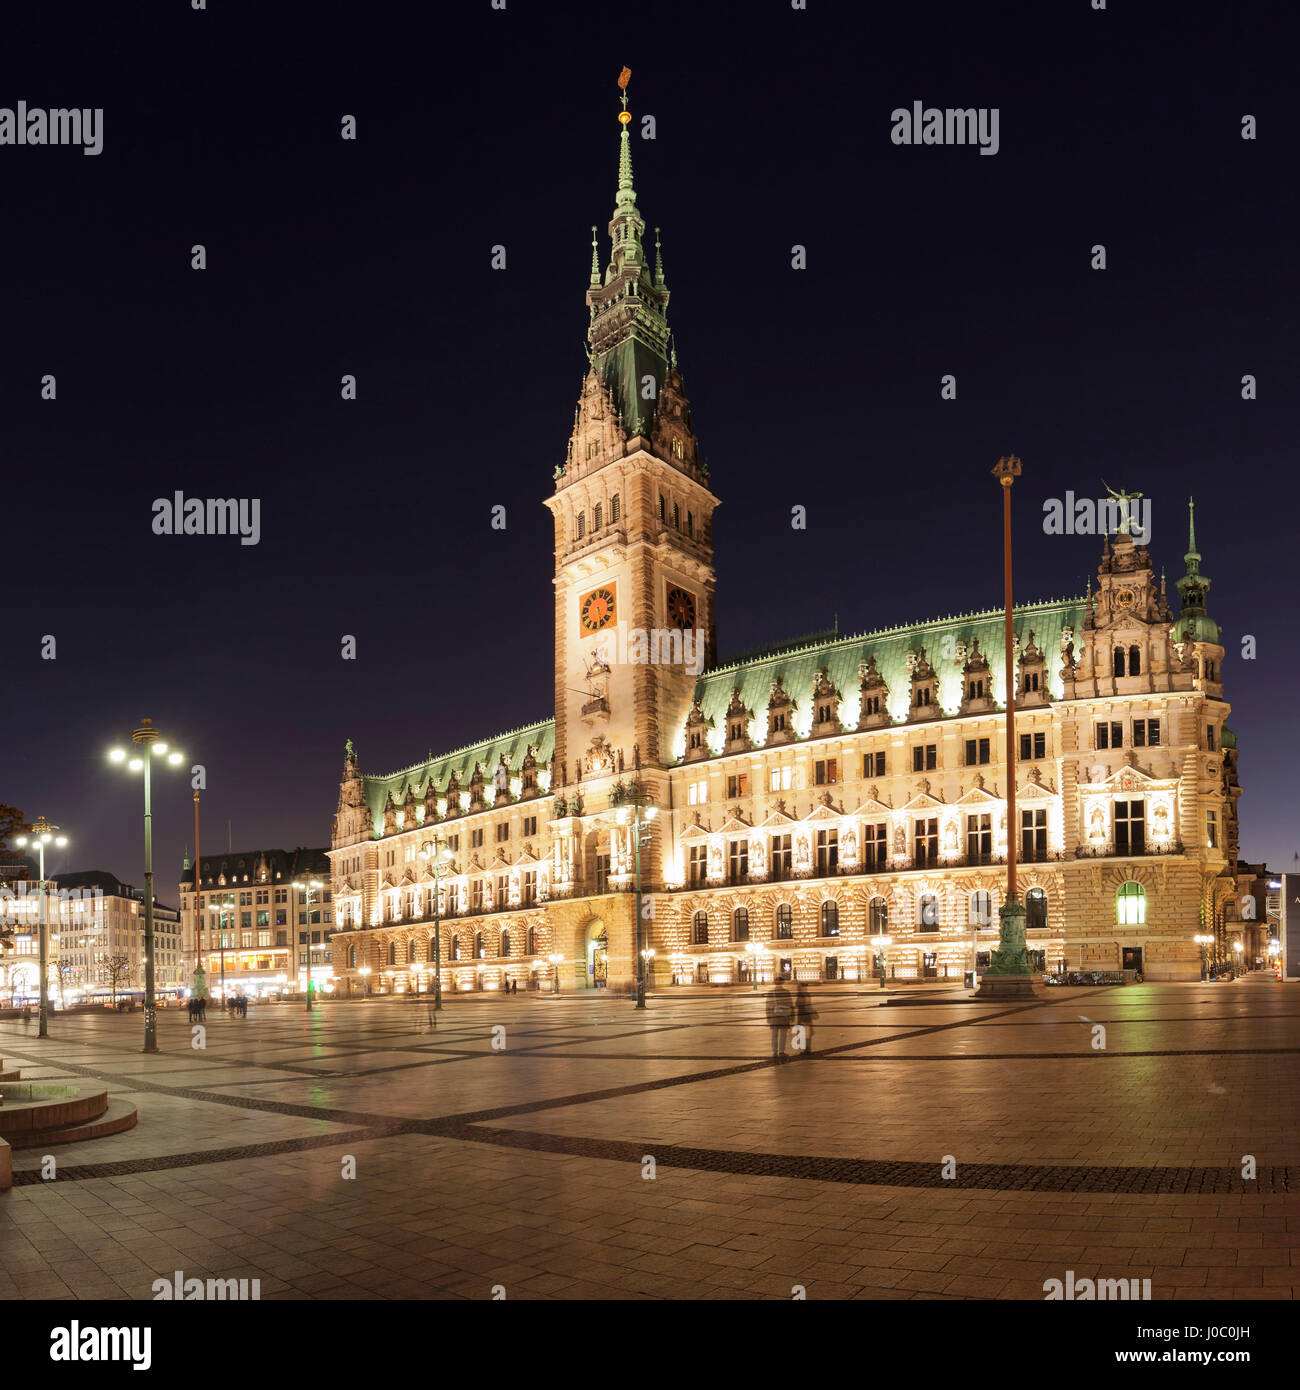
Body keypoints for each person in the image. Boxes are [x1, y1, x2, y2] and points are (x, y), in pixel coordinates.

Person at [765, 981, 793, 1061]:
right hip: (784, 1016)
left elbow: (767, 1005)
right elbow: (790, 1005)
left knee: (774, 1035)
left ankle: (774, 1052)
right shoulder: (786, 992)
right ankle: (781, 1051)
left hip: (774, 1016)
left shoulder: (771, 993)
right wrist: (791, 1016)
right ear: (782, 983)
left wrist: (768, 1017)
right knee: (783, 1035)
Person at [794, 981, 817, 1057]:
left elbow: (801, 1004)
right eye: (804, 987)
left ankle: (807, 1049)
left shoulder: (803, 994)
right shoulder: (803, 994)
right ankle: (807, 1049)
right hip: (804, 1016)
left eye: (805, 987)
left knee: (806, 1033)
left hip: (804, 1016)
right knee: (805, 1033)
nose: (805, 988)